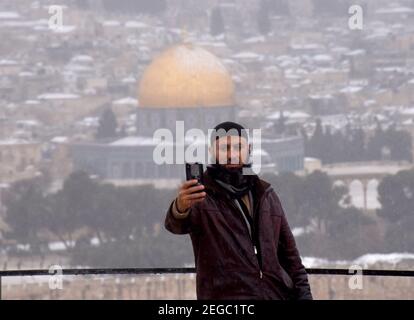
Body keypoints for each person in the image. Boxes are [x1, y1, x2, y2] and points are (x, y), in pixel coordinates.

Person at [165, 121, 313, 300]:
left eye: (238, 147)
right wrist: (180, 206)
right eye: (224, 148)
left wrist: (305, 296)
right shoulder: (202, 196)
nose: (232, 154)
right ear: (212, 151)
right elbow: (175, 225)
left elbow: (292, 259)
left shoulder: (266, 195)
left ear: (249, 149)